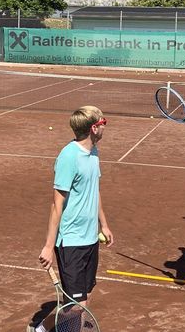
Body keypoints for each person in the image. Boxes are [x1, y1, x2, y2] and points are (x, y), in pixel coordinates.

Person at [34, 106, 113, 332]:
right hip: (71, 241)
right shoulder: (69, 156)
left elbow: (94, 190)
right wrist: (49, 246)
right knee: (79, 306)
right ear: (93, 128)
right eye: (103, 122)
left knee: (83, 297)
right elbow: (56, 205)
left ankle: (41, 329)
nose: (105, 126)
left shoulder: (94, 152)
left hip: (89, 238)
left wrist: (104, 224)